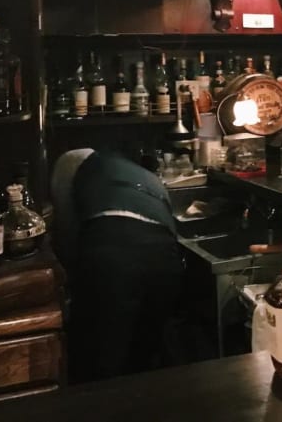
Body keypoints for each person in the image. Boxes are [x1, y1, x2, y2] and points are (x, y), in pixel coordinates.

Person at [50, 148, 184, 383]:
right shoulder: (146, 177)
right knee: (149, 353)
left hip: (110, 252)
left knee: (100, 362)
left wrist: (71, 281)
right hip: (164, 253)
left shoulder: (69, 163)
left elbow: (65, 228)